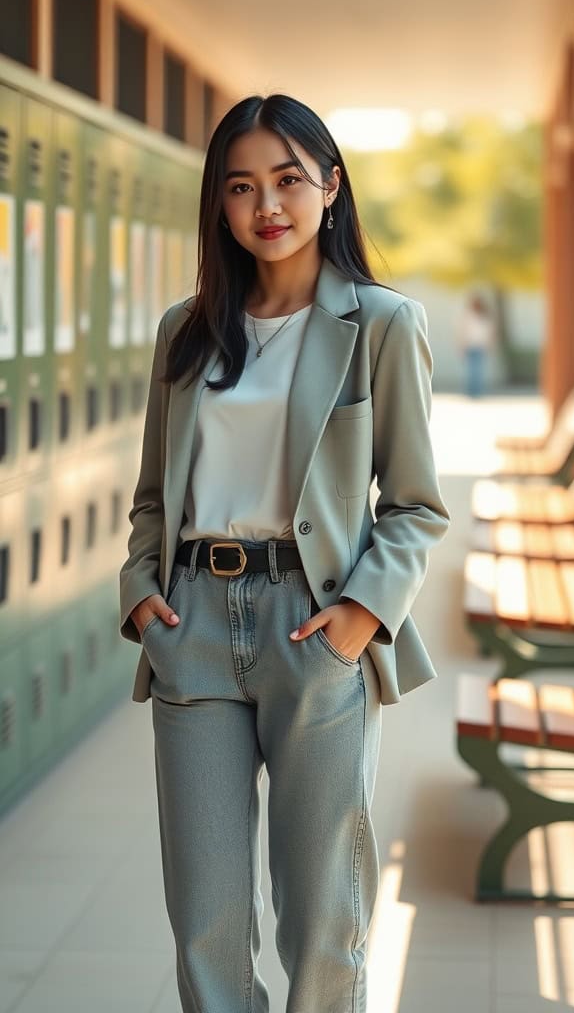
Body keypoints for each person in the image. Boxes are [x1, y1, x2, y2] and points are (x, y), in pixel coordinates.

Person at [119, 93, 450, 1013]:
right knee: (204, 924)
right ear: (219, 206)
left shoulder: (382, 324)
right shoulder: (184, 332)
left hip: (316, 626)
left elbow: (418, 503)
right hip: (190, 621)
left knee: (321, 918)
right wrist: (141, 589)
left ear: (331, 188)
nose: (267, 204)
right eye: (241, 187)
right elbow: (155, 494)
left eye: (288, 180)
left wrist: (358, 617)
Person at [457, 290, 496, 397]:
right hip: (470, 345)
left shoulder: (486, 315)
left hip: (481, 345)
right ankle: (471, 391)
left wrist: (490, 344)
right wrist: (461, 345)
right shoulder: (468, 315)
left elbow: (490, 331)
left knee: (478, 369)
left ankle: (477, 391)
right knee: (471, 369)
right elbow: (463, 330)